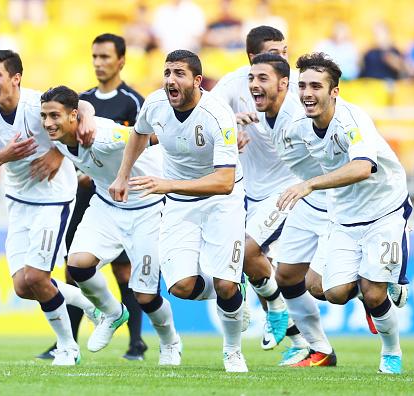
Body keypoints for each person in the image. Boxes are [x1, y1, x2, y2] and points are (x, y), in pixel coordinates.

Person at [109, 50, 248, 372]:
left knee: (225, 284)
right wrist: (122, 175)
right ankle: (233, 291)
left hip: (220, 202)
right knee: (181, 287)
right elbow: (138, 135)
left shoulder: (217, 114)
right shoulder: (156, 103)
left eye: (179, 73)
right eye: (167, 72)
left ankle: (232, 351)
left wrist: (167, 185)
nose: (171, 79)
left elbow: (224, 182)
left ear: (197, 81)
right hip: (178, 202)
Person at [278, 52, 412, 374]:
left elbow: (363, 167)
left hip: (385, 211)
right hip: (344, 215)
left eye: (316, 86)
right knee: (325, 290)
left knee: (373, 289)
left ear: (334, 91)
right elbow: (291, 152)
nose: (307, 93)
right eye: (303, 86)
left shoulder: (352, 120)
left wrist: (310, 185)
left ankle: (391, 353)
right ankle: (373, 291)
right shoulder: (299, 126)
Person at [0, 49, 98, 366]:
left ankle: (67, 348)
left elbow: (82, 107)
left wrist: (60, 153)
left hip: (53, 200)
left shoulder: (37, 104)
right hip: (18, 202)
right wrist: (3, 157)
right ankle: (99, 308)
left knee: (38, 277)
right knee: (23, 286)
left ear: (16, 78)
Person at [41, 85, 181, 365]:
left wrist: (127, 174)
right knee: (78, 265)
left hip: (147, 206)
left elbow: (146, 135)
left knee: (145, 295)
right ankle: (113, 312)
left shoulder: (103, 135)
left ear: (72, 116)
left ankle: (170, 342)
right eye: (44, 116)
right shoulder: (57, 135)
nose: (47, 123)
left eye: (54, 116)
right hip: (106, 205)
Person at [35, 33, 149, 362]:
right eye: (95, 57)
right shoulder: (78, 101)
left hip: (127, 196)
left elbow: (139, 139)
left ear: (121, 60)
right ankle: (66, 341)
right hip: (88, 197)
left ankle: (135, 343)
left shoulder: (131, 101)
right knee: (76, 268)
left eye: (105, 57)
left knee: (125, 273)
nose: (99, 63)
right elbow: (69, 142)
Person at [211, 25, 308, 363]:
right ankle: (299, 341)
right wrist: (230, 125)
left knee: (249, 252)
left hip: (289, 189)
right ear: (252, 58)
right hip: (249, 191)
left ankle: (382, 287)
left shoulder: (298, 85)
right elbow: (206, 117)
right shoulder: (234, 85)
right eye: (274, 53)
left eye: (285, 52)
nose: (284, 60)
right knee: (254, 266)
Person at [247, 53, 336, 367]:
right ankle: (319, 349)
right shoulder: (262, 113)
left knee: (325, 289)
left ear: (283, 84)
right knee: (283, 274)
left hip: (334, 201)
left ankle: (372, 287)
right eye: (252, 79)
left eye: (263, 79)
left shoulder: (299, 116)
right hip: (304, 197)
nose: (254, 86)